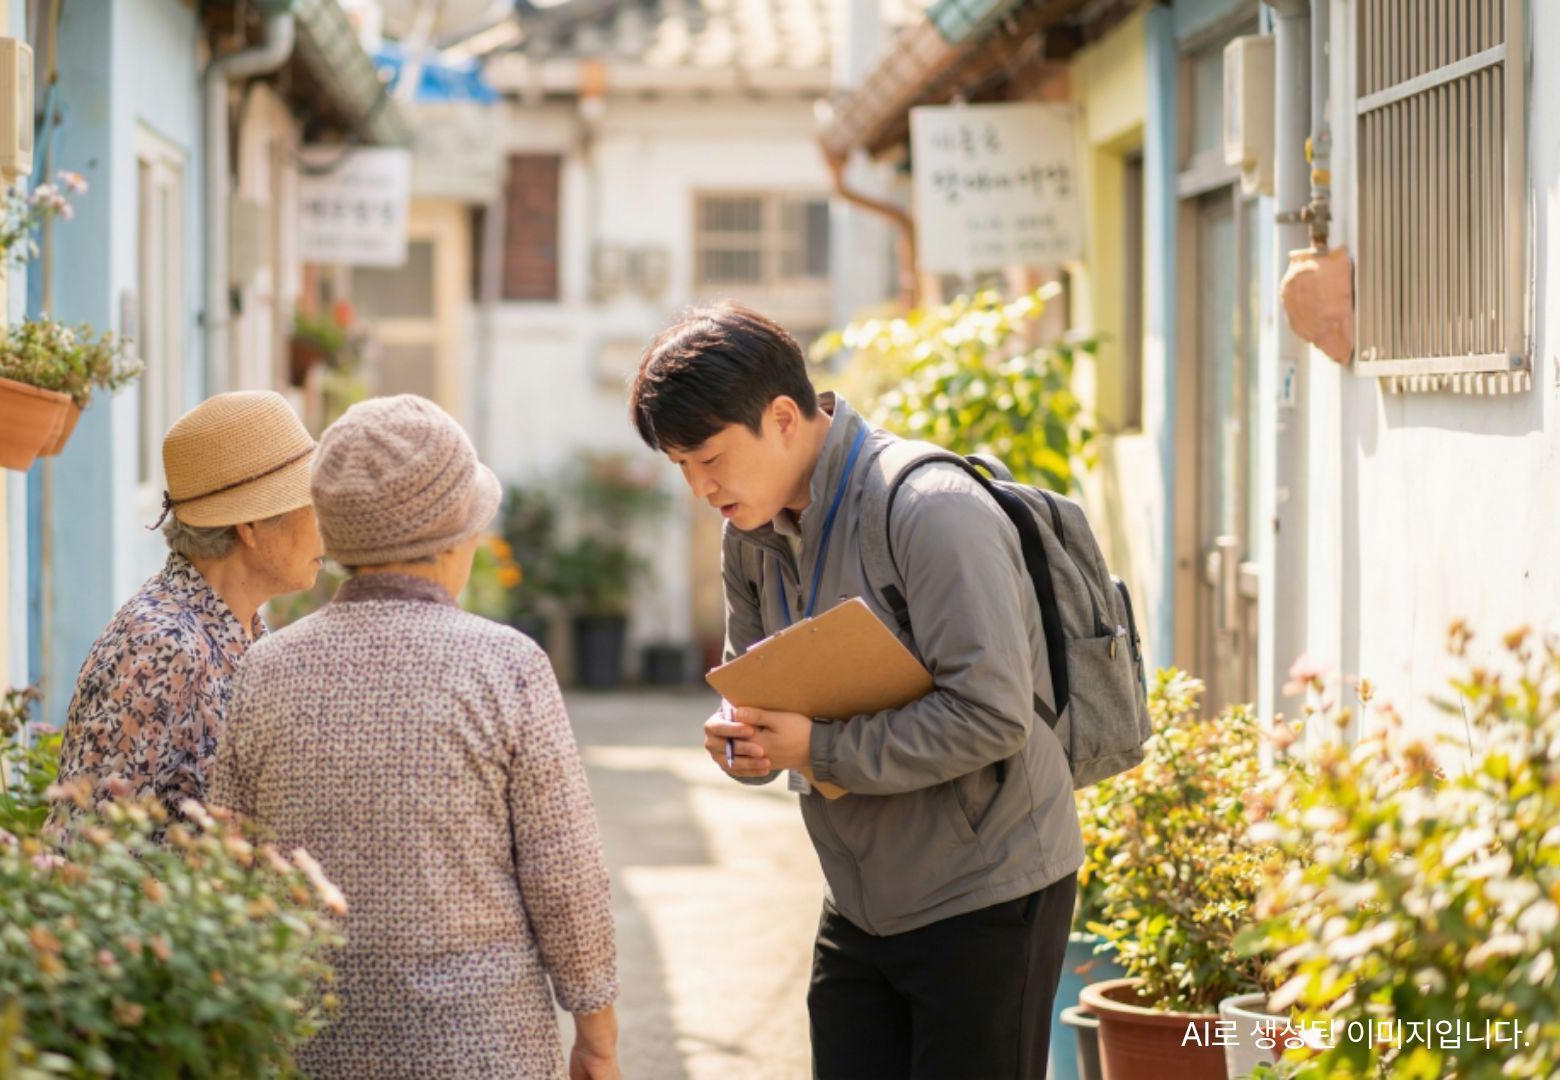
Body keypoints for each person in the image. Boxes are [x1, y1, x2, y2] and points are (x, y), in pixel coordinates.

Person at [630, 303, 1082, 1079]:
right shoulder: (751, 534)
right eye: (680, 467)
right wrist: (747, 739)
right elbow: (754, 682)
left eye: (708, 457)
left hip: (989, 891)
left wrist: (819, 748)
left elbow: (992, 713)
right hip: (861, 893)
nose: (700, 487)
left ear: (781, 417)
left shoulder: (931, 509)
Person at [210, 395, 621, 1080]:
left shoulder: (264, 669)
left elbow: (229, 862)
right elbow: (565, 877)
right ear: (455, 537)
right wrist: (598, 1037)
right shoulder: (507, 666)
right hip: (483, 1047)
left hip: (309, 1042)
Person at [51, 391, 324, 825]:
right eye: (311, 503)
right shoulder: (164, 646)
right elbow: (84, 846)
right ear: (250, 526)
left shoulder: (236, 628)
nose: (325, 520)